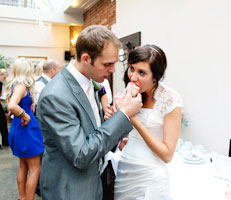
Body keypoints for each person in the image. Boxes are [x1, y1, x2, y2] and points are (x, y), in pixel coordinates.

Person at [36, 25, 142, 200]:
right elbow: (81, 155)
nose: (113, 70)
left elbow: (93, 132)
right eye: (107, 64)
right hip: (70, 190)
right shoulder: (56, 95)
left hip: (93, 181)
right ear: (86, 58)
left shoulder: (88, 83)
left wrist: (113, 122)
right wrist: (123, 114)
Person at [111, 44, 182, 199]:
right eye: (131, 69)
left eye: (142, 72)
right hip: (126, 168)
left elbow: (167, 155)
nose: (133, 77)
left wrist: (134, 120)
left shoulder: (171, 100)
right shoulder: (133, 92)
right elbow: (128, 131)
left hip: (150, 174)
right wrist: (116, 118)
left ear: (155, 76)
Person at [5, 58, 44, 200]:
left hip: (19, 128)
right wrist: (25, 116)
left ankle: (23, 198)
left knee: (24, 165)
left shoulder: (16, 85)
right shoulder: (21, 86)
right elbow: (11, 105)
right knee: (35, 169)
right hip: (25, 128)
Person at [0, 68, 9, 149]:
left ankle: (6, 142)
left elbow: (2, 95)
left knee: (3, 123)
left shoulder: (1, 83)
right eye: (4, 77)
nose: (5, 79)